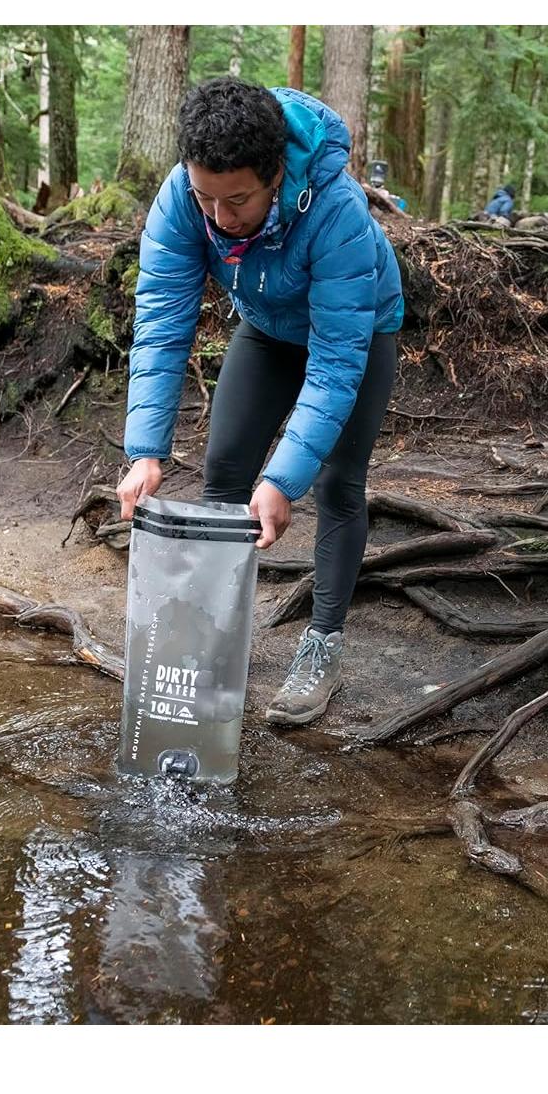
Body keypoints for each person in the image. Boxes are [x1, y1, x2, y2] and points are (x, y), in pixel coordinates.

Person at [116, 77, 404, 727]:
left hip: (357, 331)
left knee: (337, 482)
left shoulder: (336, 210)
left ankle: (322, 646)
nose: (220, 218)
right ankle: (213, 642)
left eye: (238, 200)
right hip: (269, 328)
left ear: (275, 175)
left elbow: (335, 365)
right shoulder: (182, 198)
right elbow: (161, 323)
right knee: (224, 470)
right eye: (206, 197)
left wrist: (282, 481)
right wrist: (145, 451)